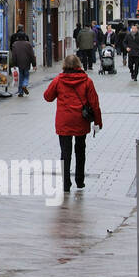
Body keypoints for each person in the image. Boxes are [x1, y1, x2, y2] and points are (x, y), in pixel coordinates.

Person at [44, 54, 104, 193]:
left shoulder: (58, 80)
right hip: (81, 121)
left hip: (64, 121)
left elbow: (47, 97)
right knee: (80, 150)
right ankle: (80, 180)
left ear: (64, 65)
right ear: (79, 65)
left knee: (65, 153)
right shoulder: (87, 81)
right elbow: (95, 103)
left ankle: (66, 183)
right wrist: (98, 122)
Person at [9, 31, 37, 97]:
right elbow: (32, 55)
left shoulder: (14, 44)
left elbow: (14, 55)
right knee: (26, 76)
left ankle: (20, 92)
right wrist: (34, 65)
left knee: (20, 77)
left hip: (18, 63)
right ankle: (24, 85)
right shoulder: (28, 44)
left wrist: (14, 64)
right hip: (27, 62)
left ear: (18, 37)